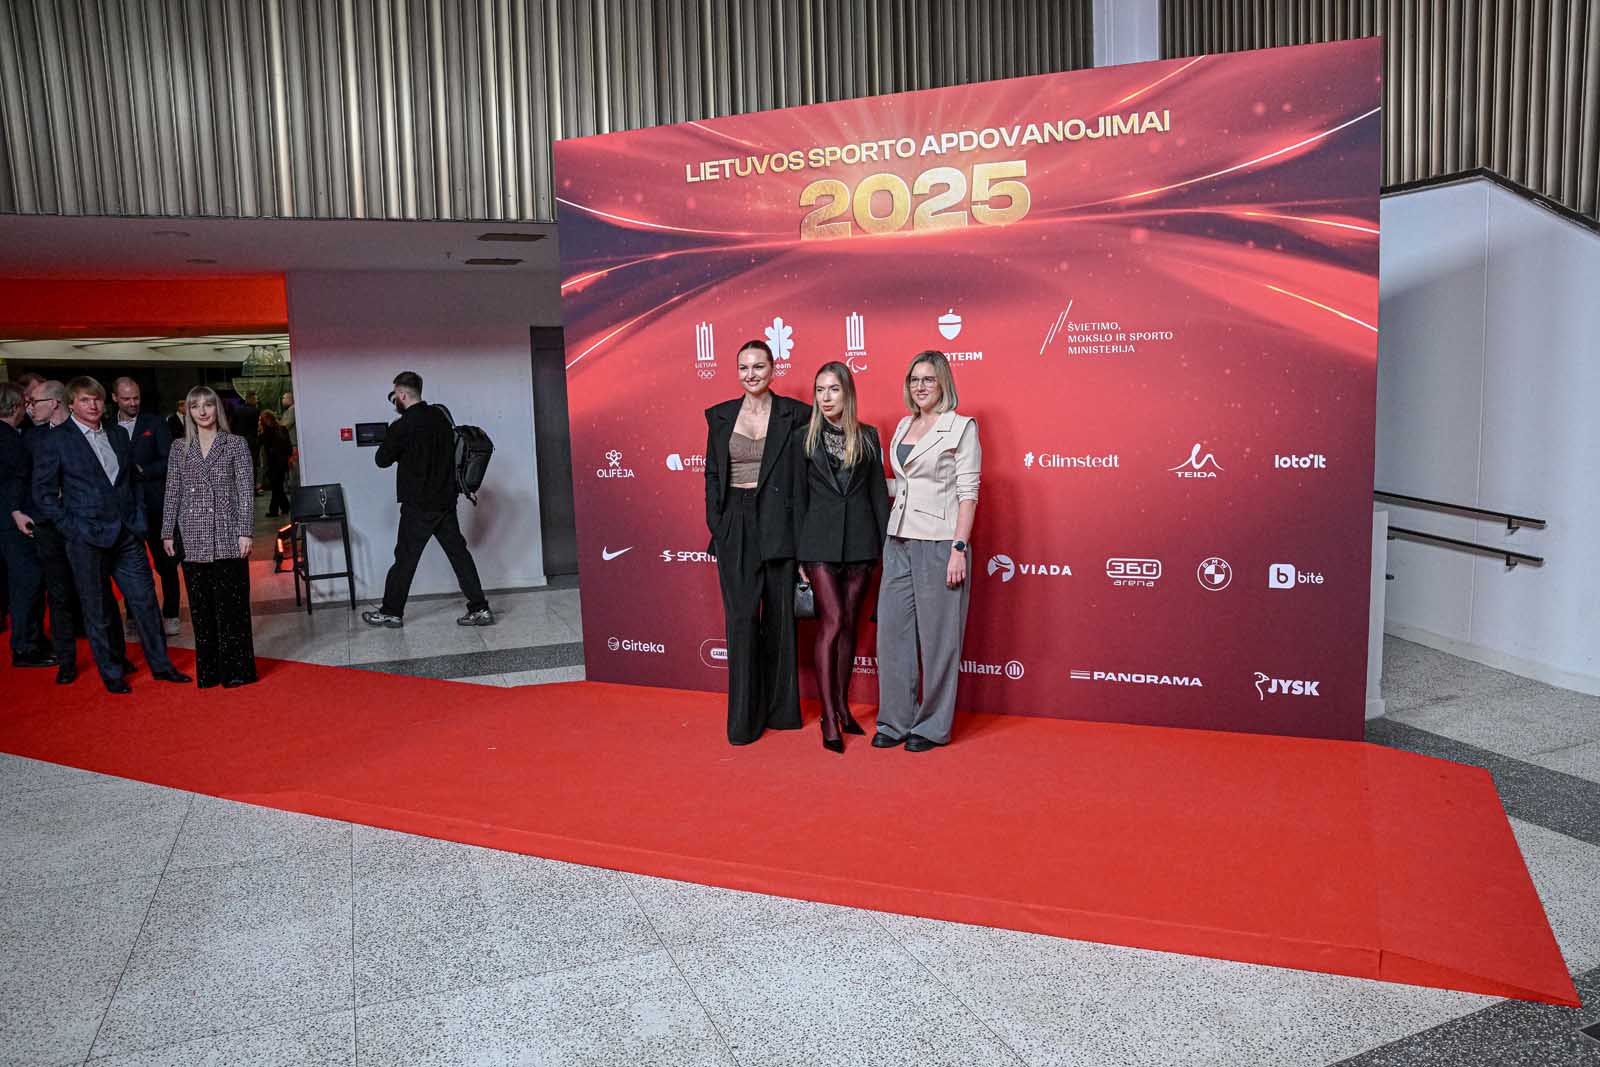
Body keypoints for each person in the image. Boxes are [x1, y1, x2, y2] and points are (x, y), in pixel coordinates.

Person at [30, 376, 191, 693]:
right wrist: (71, 528)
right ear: (71, 404)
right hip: (85, 538)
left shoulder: (117, 434)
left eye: (97, 399)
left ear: (105, 402)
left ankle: (162, 665)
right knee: (98, 609)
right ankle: (112, 673)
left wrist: (138, 519)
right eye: (85, 400)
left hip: (127, 534)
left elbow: (131, 481)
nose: (93, 405)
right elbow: (43, 494)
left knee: (145, 602)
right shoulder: (56, 440)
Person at [874, 351, 980, 752]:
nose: (920, 386)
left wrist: (959, 549)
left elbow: (968, 493)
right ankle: (895, 720)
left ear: (943, 384)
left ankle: (932, 726)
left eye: (929, 379)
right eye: (914, 379)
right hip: (897, 539)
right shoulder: (905, 425)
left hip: (940, 542)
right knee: (893, 635)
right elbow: (904, 485)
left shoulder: (961, 427)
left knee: (938, 640)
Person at [703, 340, 808, 745]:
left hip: (780, 524)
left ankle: (781, 713)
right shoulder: (720, 416)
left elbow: (806, 477)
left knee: (780, 621)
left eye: (758, 366)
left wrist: (803, 537)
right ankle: (744, 720)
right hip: (736, 523)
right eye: (744, 367)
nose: (751, 374)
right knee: (742, 620)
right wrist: (718, 524)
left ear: (773, 369)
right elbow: (713, 474)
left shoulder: (796, 415)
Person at [795, 362, 890, 753]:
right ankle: (828, 716)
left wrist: (887, 548)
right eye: (820, 390)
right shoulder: (802, 438)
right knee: (832, 621)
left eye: (833, 389)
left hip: (861, 544)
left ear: (847, 393)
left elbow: (877, 495)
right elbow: (797, 499)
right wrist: (798, 555)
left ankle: (842, 707)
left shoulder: (867, 436)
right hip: (818, 544)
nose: (826, 397)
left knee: (849, 624)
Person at [362, 371, 493, 628]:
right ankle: (480, 609)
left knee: (405, 559)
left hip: (418, 506)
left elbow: (381, 460)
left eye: (395, 395)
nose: (395, 399)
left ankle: (391, 611)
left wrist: (397, 444)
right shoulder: (441, 417)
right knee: (459, 555)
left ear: (402, 394)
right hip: (446, 502)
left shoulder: (402, 426)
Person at [24, 378, 132, 684]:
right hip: (53, 529)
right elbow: (25, 481)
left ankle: (118, 657)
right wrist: (21, 511)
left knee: (102, 595)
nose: (30, 409)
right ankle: (67, 662)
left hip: (91, 528)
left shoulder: (97, 432)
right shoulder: (34, 438)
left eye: (35, 403)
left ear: (56, 403)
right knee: (60, 597)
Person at [162, 386, 257, 688]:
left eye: (208, 405)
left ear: (218, 408)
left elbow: (245, 490)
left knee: (232, 608)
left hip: (228, 533)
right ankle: (210, 672)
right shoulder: (179, 447)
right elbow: (172, 491)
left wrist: (245, 531)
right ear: (188, 412)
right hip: (192, 535)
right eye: (195, 406)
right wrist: (167, 531)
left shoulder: (235, 444)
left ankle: (237, 671)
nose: (202, 411)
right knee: (201, 610)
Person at [111, 377, 181, 636]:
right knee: (131, 564)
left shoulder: (155, 423)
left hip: (154, 504)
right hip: (124, 508)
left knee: (166, 562)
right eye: (127, 398)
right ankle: (133, 615)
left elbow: (169, 461)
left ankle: (171, 613)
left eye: (136, 398)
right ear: (115, 398)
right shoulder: (107, 427)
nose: (133, 403)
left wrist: (142, 470)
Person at [0, 382, 55, 668]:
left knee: (27, 582)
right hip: (14, 523)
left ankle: (33, 640)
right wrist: (16, 512)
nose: (28, 409)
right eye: (25, 403)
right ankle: (25, 647)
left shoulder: (11, 436)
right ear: (16, 407)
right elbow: (14, 482)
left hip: (10, 521)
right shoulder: (8, 439)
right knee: (28, 583)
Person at [258, 411, 293, 516]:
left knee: (276, 487)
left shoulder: (267, 432)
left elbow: (261, 443)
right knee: (278, 487)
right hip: (281, 462)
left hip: (274, 463)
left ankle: (274, 510)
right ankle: (285, 507)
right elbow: (288, 446)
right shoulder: (282, 429)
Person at [234, 391, 260, 491]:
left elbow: (233, 424)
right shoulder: (256, 411)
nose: (257, 401)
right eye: (256, 399)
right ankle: (251, 488)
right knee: (252, 465)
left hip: (239, 440)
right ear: (252, 399)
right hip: (252, 441)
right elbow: (256, 427)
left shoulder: (237, 409)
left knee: (239, 465)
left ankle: (241, 488)